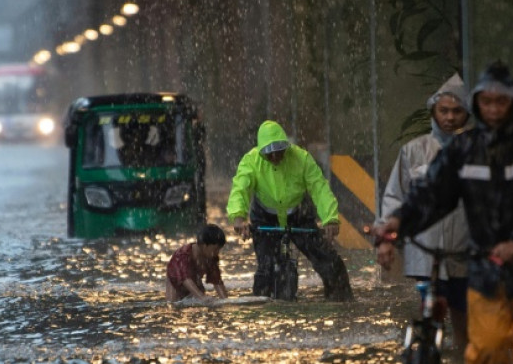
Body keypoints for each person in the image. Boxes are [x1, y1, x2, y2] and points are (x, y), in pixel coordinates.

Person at [373, 61, 513, 364]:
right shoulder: (464, 149)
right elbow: (432, 194)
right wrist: (397, 223)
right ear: (478, 104)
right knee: (485, 348)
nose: (494, 110)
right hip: (485, 267)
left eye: (501, 101)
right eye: (487, 102)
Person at [378, 74, 471, 350]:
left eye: (457, 111)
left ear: (467, 113)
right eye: (444, 111)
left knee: (466, 323)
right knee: (430, 314)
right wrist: (386, 238)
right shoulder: (413, 151)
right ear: (433, 112)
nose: (450, 117)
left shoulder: (478, 150)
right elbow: (395, 196)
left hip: (467, 253)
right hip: (427, 253)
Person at [227, 120, 354, 301]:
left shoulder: (302, 158)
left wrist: (330, 218)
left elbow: (319, 188)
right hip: (265, 219)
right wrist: (239, 217)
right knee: (267, 267)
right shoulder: (250, 161)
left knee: (330, 262)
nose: (275, 157)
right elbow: (240, 188)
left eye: (279, 151)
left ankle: (341, 301)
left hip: (299, 216)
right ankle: (263, 304)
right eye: (269, 154)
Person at [165, 224, 229, 302]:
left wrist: (225, 301)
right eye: (216, 249)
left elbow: (217, 281)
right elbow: (185, 279)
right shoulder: (183, 255)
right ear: (204, 245)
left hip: (195, 282)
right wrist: (202, 297)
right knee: (172, 304)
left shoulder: (211, 257)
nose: (217, 253)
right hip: (175, 283)